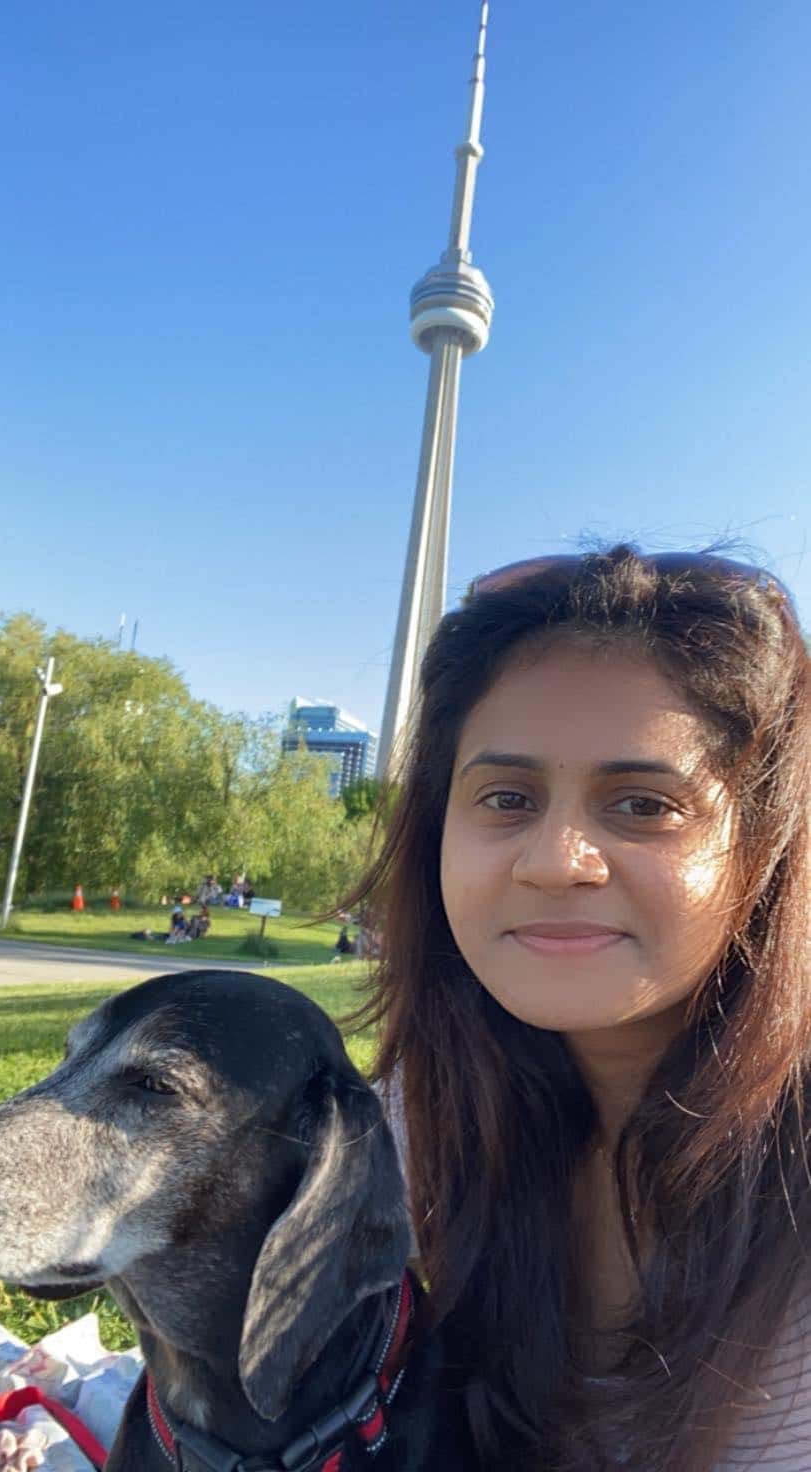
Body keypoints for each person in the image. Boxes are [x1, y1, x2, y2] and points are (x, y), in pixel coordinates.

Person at [343, 546, 810, 1471]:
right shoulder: (411, 1120)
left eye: (642, 805)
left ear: (764, 852)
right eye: (506, 798)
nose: (555, 860)